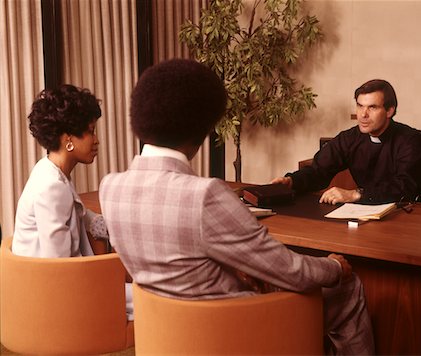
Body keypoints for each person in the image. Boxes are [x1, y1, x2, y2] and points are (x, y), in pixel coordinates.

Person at [100, 59, 374, 355]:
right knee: (345, 286)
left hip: (169, 334)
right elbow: (292, 271)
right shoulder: (204, 195)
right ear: (203, 129)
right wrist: (333, 266)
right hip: (231, 333)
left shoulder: (111, 187)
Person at [13, 84, 133, 319]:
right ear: (68, 138)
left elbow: (87, 218)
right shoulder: (52, 187)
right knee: (150, 298)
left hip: (57, 286)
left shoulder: (50, 172)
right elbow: (59, 267)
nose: (96, 140)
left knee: (146, 295)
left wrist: (127, 228)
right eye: (90, 131)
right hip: (56, 297)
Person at [272, 79, 421, 205]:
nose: (363, 114)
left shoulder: (410, 140)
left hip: (406, 215)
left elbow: (405, 187)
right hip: (365, 214)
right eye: (360, 106)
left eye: (372, 107)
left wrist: (355, 195)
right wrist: (292, 181)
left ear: (389, 111)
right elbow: (319, 171)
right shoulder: (350, 138)